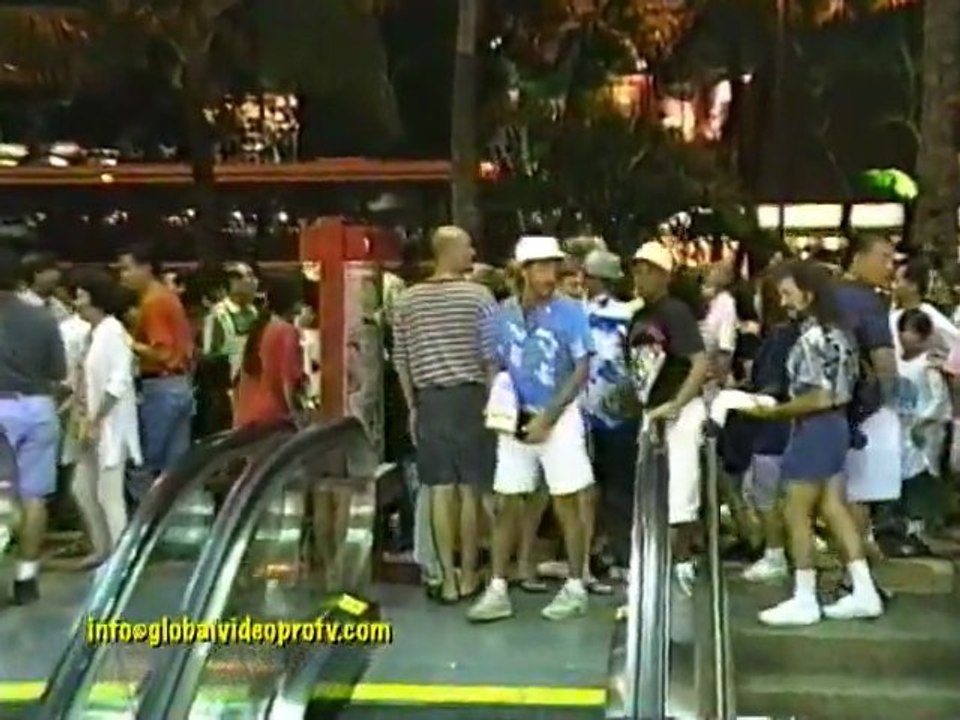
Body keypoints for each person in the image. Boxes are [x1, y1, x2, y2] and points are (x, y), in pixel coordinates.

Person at [741, 260, 883, 625]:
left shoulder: (812, 338)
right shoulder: (841, 333)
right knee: (834, 508)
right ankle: (864, 590)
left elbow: (818, 396)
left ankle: (804, 597)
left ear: (808, 293)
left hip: (815, 427)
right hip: (836, 427)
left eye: (788, 294)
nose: (785, 302)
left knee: (795, 510)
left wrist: (774, 412)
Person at [468, 235, 595, 622]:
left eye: (552, 266)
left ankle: (575, 584)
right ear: (522, 272)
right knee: (508, 499)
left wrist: (550, 416)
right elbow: (492, 362)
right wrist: (502, 404)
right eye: (540, 267)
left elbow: (581, 368)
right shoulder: (500, 315)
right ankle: (498, 586)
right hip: (515, 417)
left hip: (559, 414)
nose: (549, 275)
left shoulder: (570, 312)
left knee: (567, 499)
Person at [393, 226, 497, 603]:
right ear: (450, 251)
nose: (472, 253)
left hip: (429, 401)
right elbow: (490, 356)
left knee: (438, 489)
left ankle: (447, 580)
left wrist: (412, 407)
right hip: (470, 398)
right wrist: (491, 402)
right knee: (470, 489)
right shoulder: (480, 297)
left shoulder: (406, 301)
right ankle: (469, 575)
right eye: (468, 247)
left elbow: (401, 361)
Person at [626, 240, 708, 595]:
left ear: (663, 275)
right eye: (637, 270)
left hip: (681, 409)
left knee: (682, 488)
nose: (639, 277)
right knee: (652, 487)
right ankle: (657, 559)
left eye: (647, 270)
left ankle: (682, 560)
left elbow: (699, 362)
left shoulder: (675, 312)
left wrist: (678, 403)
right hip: (651, 409)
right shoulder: (637, 316)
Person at [0, 247, 66, 604]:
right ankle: (26, 577)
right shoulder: (42, 318)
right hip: (38, 408)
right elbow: (58, 371)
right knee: (34, 496)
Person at [70, 269, 141, 564]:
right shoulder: (93, 334)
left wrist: (97, 419)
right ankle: (103, 547)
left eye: (81, 295)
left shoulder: (113, 333)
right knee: (81, 486)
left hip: (109, 424)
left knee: (108, 493)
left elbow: (118, 382)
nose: (76, 301)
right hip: (90, 422)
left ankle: (120, 557)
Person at [836, 234, 899, 562]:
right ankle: (858, 574)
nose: (889, 267)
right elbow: (884, 360)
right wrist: (896, 401)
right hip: (864, 409)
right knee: (857, 493)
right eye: (884, 257)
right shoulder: (867, 301)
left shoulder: (828, 296)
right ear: (858, 257)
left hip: (829, 406)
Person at [117, 243, 194, 502]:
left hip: (161, 387)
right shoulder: (166, 296)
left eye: (127, 269)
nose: (122, 276)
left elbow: (162, 352)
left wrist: (128, 342)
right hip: (180, 385)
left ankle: (142, 521)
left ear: (146, 267)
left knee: (145, 461)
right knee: (175, 466)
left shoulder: (153, 301)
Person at [739, 268, 800, 582]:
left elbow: (772, 382)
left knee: (764, 494)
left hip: (775, 424)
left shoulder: (779, 337)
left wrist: (744, 396)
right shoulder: (796, 334)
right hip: (796, 424)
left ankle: (775, 552)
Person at [894, 308, 951, 552]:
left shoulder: (927, 364)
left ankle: (924, 528)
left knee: (922, 478)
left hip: (925, 431)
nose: (906, 336)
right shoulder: (895, 361)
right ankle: (905, 529)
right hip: (901, 429)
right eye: (904, 331)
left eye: (912, 332)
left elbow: (940, 400)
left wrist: (922, 422)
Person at [233, 275, 305, 428]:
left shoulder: (260, 328)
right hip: (272, 419)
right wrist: (297, 421)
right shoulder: (287, 332)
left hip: (246, 417)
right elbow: (287, 385)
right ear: (293, 303)